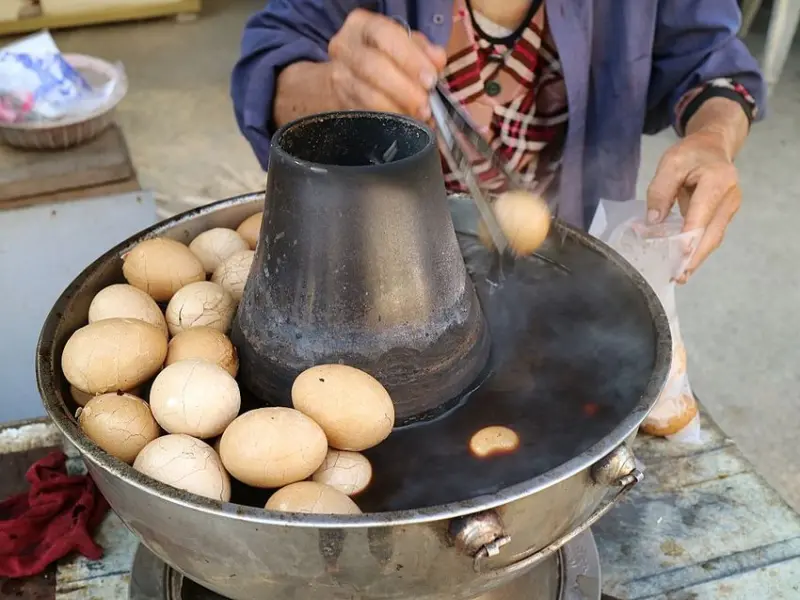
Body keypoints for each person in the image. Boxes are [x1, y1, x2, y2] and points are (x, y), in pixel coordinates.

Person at [231, 0, 765, 282]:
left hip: (560, 265)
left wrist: (714, 136)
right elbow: (269, 66)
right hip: (375, 261)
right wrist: (333, 86)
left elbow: (711, 64)